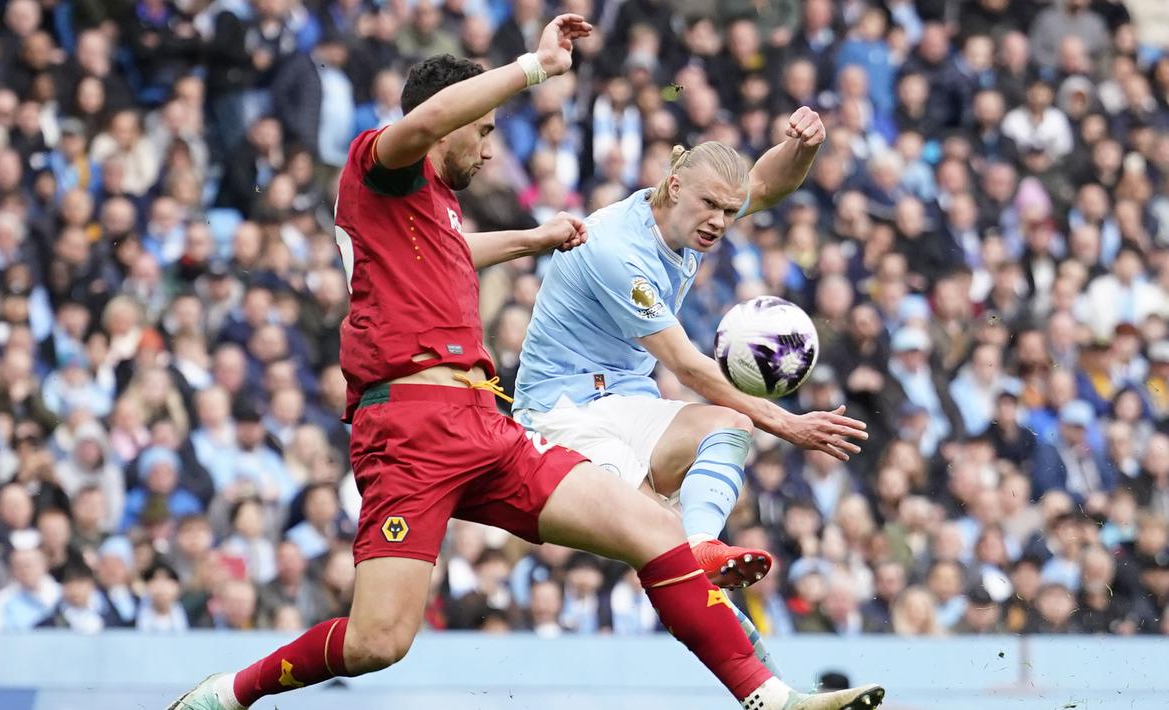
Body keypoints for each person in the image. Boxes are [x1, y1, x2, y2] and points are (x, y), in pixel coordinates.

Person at [167, 17, 883, 710]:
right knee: (377, 643)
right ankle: (229, 695)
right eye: (480, 132)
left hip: (485, 423)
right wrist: (533, 69)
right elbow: (423, 126)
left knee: (651, 529)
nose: (486, 150)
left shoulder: (434, 209)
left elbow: (453, 252)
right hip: (409, 433)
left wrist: (531, 239)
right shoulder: (379, 164)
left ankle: (767, 697)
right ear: (442, 123)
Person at [512, 115, 867, 671]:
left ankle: (706, 550)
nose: (720, 221)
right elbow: (687, 365)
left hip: (627, 397)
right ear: (674, 185)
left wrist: (801, 148)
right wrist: (790, 424)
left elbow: (769, 185)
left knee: (731, 428)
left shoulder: (690, 214)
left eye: (730, 211)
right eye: (712, 207)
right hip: (563, 412)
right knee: (659, 533)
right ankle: (764, 681)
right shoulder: (616, 249)